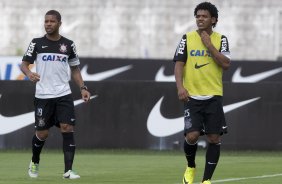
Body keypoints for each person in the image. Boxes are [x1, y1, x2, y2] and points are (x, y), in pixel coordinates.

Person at [20, 10, 91, 179]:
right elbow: (24, 64)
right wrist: (29, 74)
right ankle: (35, 161)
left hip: (63, 94)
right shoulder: (36, 43)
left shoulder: (69, 45)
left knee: (67, 128)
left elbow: (74, 69)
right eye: (46, 21)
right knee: (42, 134)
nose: (48, 24)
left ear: (60, 23)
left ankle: (68, 171)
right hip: (43, 95)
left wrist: (83, 88)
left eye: (52, 21)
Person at [173, 2, 231, 184]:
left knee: (214, 138)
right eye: (198, 16)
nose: (200, 18)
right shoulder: (187, 38)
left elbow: (226, 64)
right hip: (192, 96)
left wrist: (209, 46)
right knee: (192, 136)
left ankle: (206, 180)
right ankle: (191, 166)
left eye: (204, 16)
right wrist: (180, 87)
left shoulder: (221, 39)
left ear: (213, 20)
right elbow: (178, 64)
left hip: (213, 95)